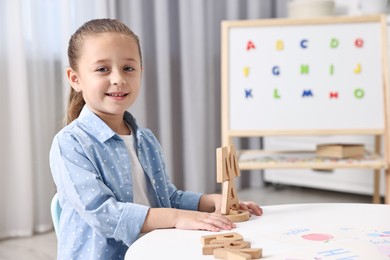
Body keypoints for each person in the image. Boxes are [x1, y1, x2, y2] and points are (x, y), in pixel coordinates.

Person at [49, 18, 262, 260]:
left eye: (128, 68)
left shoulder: (145, 139)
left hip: (157, 249)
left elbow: (167, 198)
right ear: (75, 79)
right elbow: (103, 213)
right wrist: (177, 217)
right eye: (102, 69)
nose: (118, 78)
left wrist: (212, 201)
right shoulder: (70, 144)